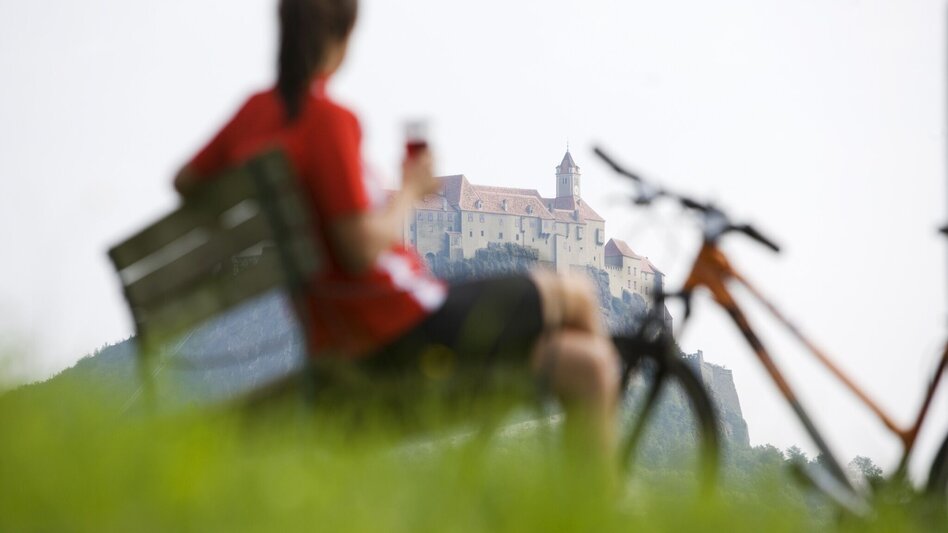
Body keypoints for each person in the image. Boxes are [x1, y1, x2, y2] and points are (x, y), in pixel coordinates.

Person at [174, 0, 620, 462]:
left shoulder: (255, 114)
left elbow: (186, 181)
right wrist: (410, 191)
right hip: (403, 323)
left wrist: (258, 201)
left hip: (347, 326)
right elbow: (360, 249)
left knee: (585, 365)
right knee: (578, 293)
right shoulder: (328, 120)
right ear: (344, 38)